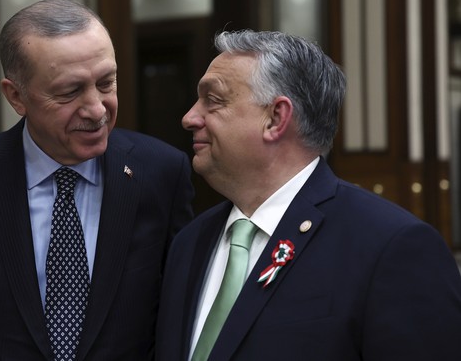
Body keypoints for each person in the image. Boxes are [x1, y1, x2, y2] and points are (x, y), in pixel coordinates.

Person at [0, 0, 194, 360]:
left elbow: (181, 325)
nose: (97, 109)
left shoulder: (160, 173)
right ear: (16, 96)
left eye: (106, 83)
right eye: (69, 91)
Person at [155, 29, 461, 360]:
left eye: (213, 101)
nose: (189, 118)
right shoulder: (189, 244)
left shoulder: (390, 247)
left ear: (275, 119)